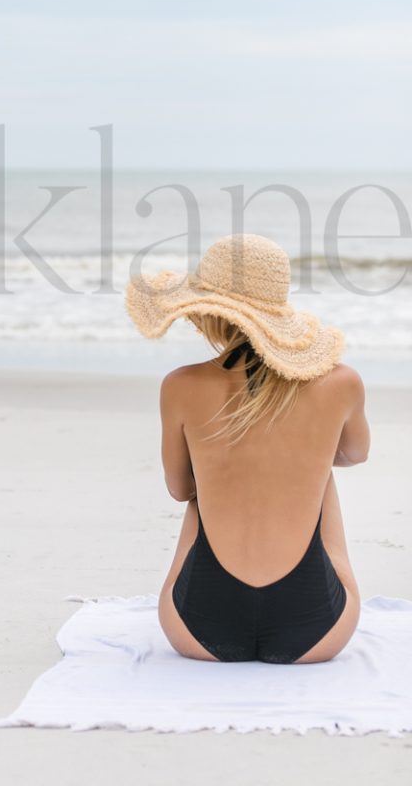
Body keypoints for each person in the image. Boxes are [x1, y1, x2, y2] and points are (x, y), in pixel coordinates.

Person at [125, 233, 370, 665]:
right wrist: (298, 456)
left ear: (207, 312)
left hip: (195, 630)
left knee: (205, 487)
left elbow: (181, 490)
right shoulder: (341, 381)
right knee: (321, 474)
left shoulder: (181, 386)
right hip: (318, 632)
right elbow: (354, 454)